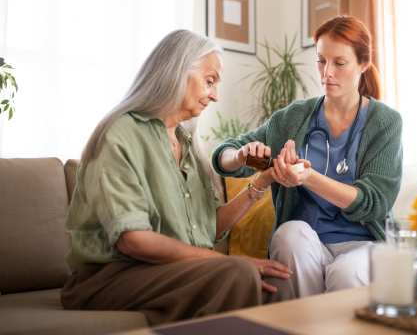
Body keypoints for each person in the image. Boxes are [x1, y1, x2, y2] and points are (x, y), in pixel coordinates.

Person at [61, 29, 294, 325]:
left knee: (280, 284)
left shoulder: (185, 143)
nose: (215, 95)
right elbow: (133, 241)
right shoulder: (120, 133)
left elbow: (208, 229)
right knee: (238, 273)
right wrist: (229, 261)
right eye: (209, 81)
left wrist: (261, 182)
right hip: (110, 276)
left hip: (168, 271)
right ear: (176, 72)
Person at [212, 15, 403, 298]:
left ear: (363, 64)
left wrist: (309, 177)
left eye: (339, 63)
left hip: (364, 245)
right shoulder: (294, 117)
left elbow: (375, 203)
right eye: (321, 60)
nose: (327, 72)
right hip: (308, 243)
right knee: (288, 236)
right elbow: (222, 155)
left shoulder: (385, 122)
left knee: (346, 272)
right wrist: (241, 155)